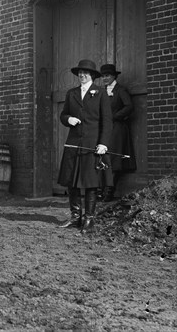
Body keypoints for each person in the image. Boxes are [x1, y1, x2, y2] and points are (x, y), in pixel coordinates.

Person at [57, 59, 112, 233]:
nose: (82, 75)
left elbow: (107, 121)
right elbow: (63, 114)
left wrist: (103, 143)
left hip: (93, 144)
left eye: (85, 73)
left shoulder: (101, 93)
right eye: (80, 72)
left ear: (92, 76)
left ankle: (89, 219)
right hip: (74, 143)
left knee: (90, 182)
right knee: (71, 181)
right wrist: (68, 119)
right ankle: (75, 217)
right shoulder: (71, 93)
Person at [98, 64, 137, 201]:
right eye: (103, 76)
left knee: (113, 160)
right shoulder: (101, 91)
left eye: (107, 75)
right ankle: (101, 190)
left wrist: (114, 116)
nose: (105, 78)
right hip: (105, 129)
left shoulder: (121, 90)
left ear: (114, 76)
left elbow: (129, 107)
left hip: (117, 129)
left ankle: (108, 192)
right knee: (102, 158)